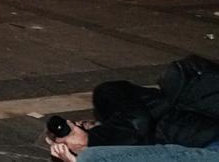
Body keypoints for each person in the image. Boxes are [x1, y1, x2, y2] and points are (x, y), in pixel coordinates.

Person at [47, 55, 219, 161]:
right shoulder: (121, 140)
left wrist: (91, 140)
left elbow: (137, 122)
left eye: (80, 124)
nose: (82, 124)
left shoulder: (107, 95)